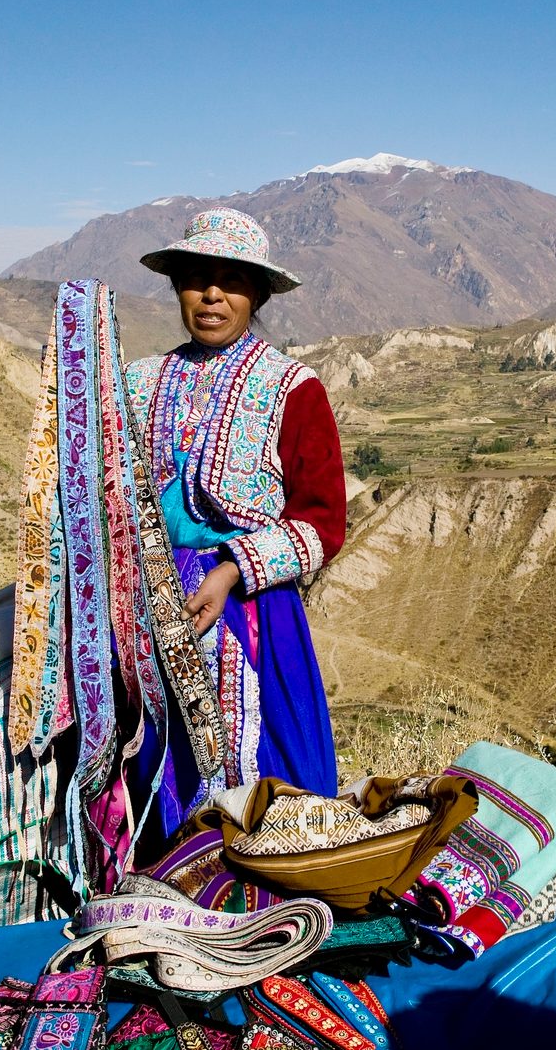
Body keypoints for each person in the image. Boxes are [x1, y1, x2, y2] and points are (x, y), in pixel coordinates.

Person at [124, 208, 346, 841]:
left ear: (260, 293)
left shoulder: (292, 390)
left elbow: (324, 522)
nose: (212, 295)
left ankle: (272, 901)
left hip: (251, 614)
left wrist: (232, 569)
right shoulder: (140, 384)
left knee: (263, 780)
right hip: (153, 599)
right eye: (197, 278)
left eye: (232, 281)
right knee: (155, 764)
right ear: (177, 288)